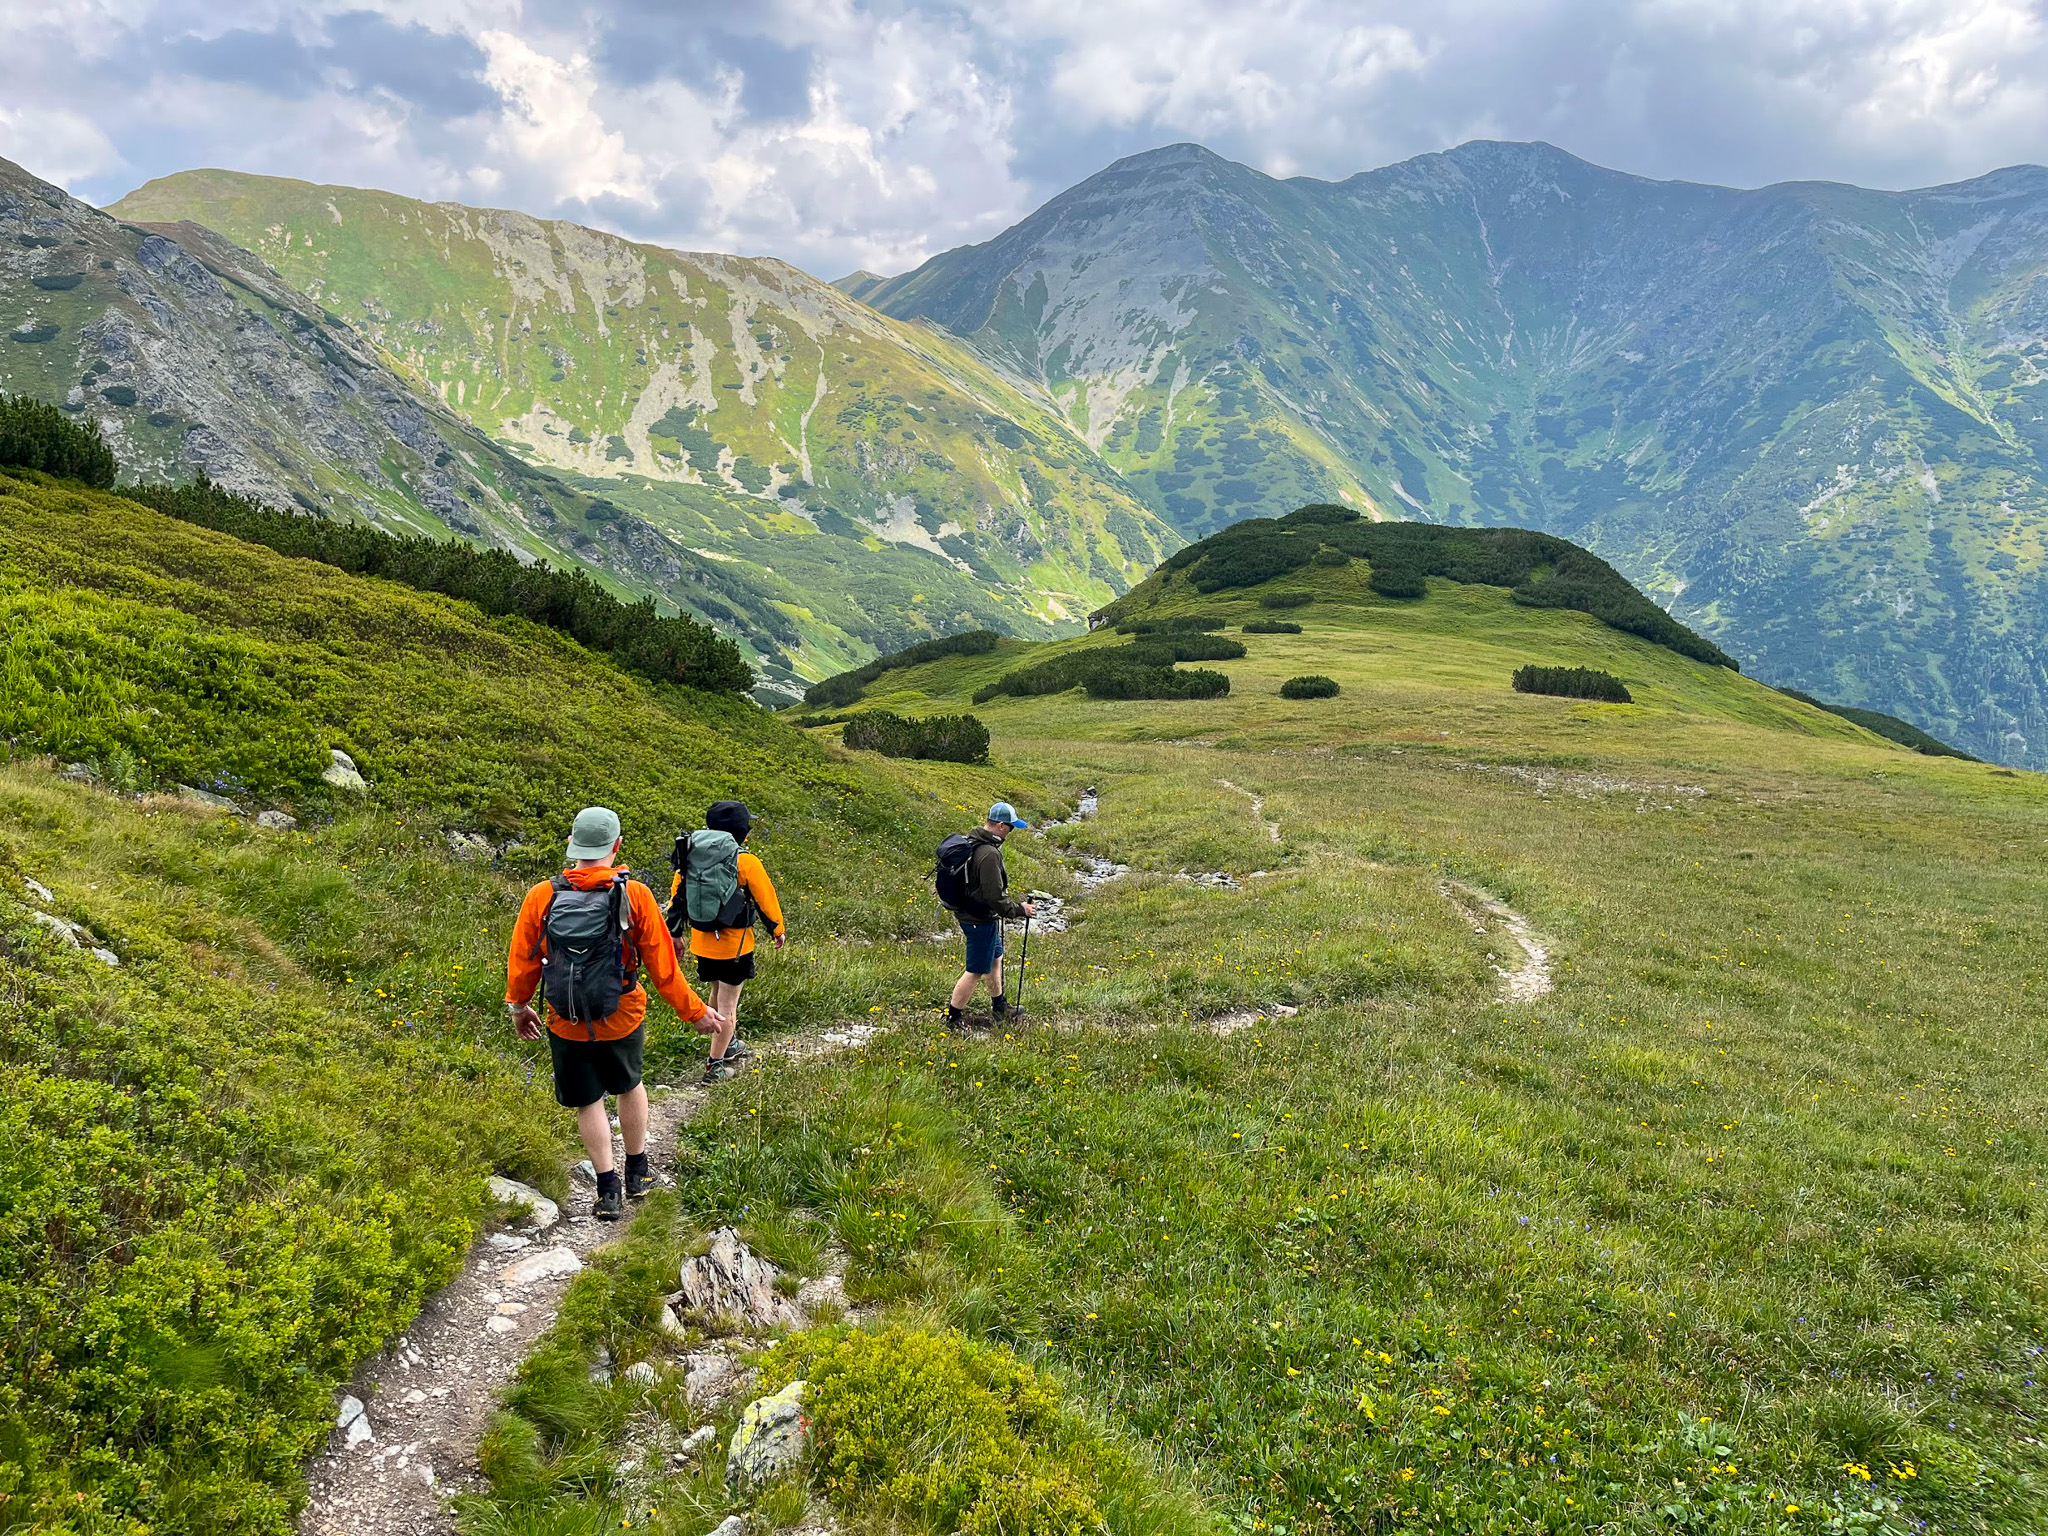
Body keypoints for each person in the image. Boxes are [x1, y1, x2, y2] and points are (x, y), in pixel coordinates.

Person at [506, 806, 727, 1221]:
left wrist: (519, 1007)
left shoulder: (543, 895)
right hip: (622, 1015)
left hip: (565, 1018)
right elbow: (664, 969)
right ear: (617, 845)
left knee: (588, 1101)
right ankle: (637, 1172)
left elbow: (523, 960)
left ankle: (607, 1190)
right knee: (630, 1086)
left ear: (574, 844)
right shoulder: (635, 895)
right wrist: (696, 1013)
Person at [669, 799, 786, 1083]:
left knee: (716, 992)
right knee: (728, 1006)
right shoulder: (744, 860)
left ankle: (727, 1042)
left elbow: (677, 896)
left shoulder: (690, 856)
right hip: (735, 946)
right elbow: (765, 898)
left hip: (703, 943)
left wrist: (675, 932)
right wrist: (777, 929)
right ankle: (715, 1065)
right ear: (742, 832)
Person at [937, 802, 1037, 1028]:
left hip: (975, 914)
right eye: (1011, 827)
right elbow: (994, 896)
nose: (1012, 832)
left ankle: (999, 1005)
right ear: (1001, 826)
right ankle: (953, 1018)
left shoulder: (973, 841)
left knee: (995, 958)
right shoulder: (989, 853)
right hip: (978, 919)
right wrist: (1021, 910)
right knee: (975, 970)